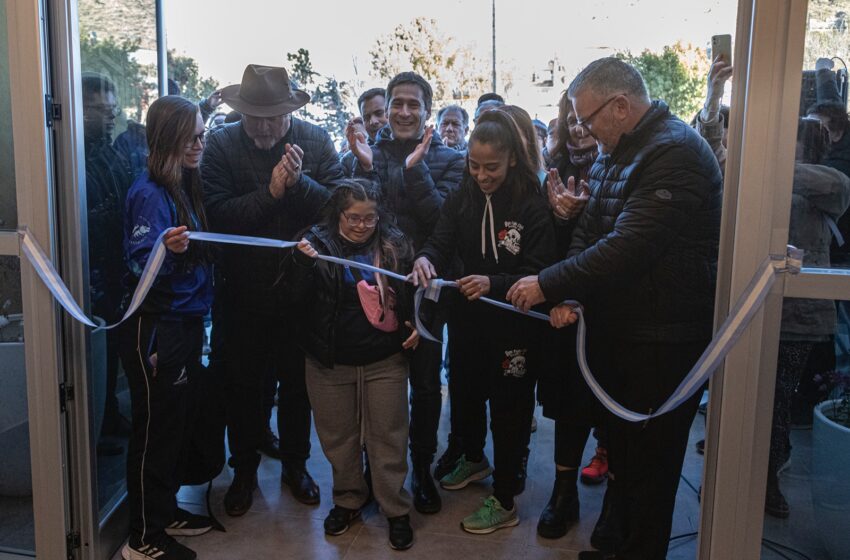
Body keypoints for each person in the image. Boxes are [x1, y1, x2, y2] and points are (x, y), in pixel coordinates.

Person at [507, 57, 722, 560]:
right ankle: (618, 547)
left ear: (621, 106)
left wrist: (547, 284)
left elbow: (627, 246)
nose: (582, 130)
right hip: (627, 332)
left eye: (587, 118)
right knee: (625, 456)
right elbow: (591, 232)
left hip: (662, 338)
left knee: (650, 467)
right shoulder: (620, 148)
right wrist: (571, 292)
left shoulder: (674, 152)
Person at [202, 64, 344, 516]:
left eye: (273, 118)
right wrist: (271, 191)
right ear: (239, 111)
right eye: (254, 118)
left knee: (298, 387)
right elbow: (218, 216)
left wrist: (298, 183)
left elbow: (338, 211)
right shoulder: (221, 144)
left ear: (290, 111)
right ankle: (242, 472)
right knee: (242, 386)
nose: (264, 127)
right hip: (241, 293)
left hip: (301, 292)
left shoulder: (317, 140)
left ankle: (296, 467)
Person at [413, 109, 557, 534]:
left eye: (491, 167)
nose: (481, 175)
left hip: (515, 327)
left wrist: (493, 282)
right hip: (467, 320)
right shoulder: (463, 194)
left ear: (512, 158)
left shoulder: (533, 203)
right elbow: (440, 239)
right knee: (465, 392)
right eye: (474, 166)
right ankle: (473, 457)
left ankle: (507, 497)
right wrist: (425, 257)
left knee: (510, 409)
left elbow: (543, 270)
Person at [347, 71, 465, 514]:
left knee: (426, 385)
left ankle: (421, 468)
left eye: (413, 104)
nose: (403, 112)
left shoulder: (451, 160)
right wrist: (361, 165)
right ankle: (371, 467)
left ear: (427, 111)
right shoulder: (367, 154)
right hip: (375, 288)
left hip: (427, 291)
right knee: (372, 383)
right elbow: (356, 218)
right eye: (397, 103)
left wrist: (416, 172)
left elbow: (443, 224)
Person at [280, 178, 419, 550]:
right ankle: (348, 500)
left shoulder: (394, 242)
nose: (361, 226)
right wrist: (299, 264)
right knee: (337, 437)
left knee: (389, 436)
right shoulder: (313, 242)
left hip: (385, 359)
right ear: (337, 214)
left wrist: (418, 324)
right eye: (353, 218)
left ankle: (395, 508)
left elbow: (416, 292)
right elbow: (290, 298)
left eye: (369, 218)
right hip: (329, 360)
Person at [119, 95, 214, 560]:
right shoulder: (149, 194)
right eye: (192, 136)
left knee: (176, 425)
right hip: (157, 327)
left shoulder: (183, 186)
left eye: (202, 134)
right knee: (155, 430)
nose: (200, 143)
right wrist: (166, 253)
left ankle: (166, 510)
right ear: (169, 137)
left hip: (187, 321)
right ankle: (142, 537)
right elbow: (140, 267)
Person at [536, 92, 615, 541]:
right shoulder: (551, 170)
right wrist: (563, 218)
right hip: (564, 306)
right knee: (570, 405)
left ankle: (613, 503)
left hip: (611, 308)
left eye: (586, 118)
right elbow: (543, 244)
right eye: (571, 120)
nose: (580, 127)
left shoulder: (619, 163)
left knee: (611, 404)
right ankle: (563, 495)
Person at [771, 119, 850, 517]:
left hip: (800, 315)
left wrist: (771, 164)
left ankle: (769, 478)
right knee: (755, 392)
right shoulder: (772, 179)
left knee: (778, 397)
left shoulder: (828, 182)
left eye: (792, 139)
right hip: (762, 307)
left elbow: (839, 190)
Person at [81, 72, 135, 454]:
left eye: (113, 110)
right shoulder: (68, 156)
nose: (110, 117)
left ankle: (109, 416)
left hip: (116, 270)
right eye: (101, 110)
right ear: (80, 110)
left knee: (113, 348)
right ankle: (93, 429)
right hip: (88, 270)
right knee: (91, 354)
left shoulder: (111, 151)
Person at [341, 88, 389, 176]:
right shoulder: (349, 160)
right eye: (366, 118)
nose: (373, 121)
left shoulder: (416, 150)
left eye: (379, 113)